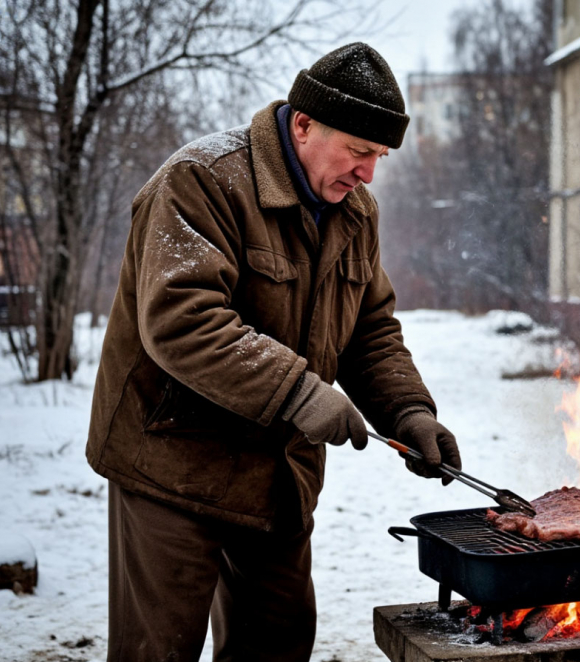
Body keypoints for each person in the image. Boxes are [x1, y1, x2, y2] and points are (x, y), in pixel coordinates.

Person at [86, 42, 461, 662]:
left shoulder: (355, 213)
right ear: (304, 124)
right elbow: (181, 320)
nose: (369, 173)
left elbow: (369, 328)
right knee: (159, 650)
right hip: (172, 461)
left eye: (380, 156)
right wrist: (299, 391)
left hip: (276, 474)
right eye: (359, 151)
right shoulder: (202, 180)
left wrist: (409, 412)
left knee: (279, 643)